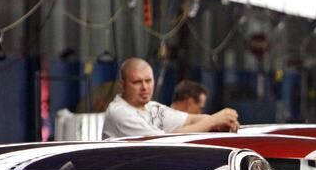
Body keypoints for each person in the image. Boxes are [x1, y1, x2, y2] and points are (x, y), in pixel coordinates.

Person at [102, 58, 239, 139]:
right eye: (137, 82)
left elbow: (190, 119)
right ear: (122, 85)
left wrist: (220, 123)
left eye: (148, 81)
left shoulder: (152, 108)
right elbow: (162, 140)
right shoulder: (120, 113)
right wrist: (213, 120)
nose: (144, 87)